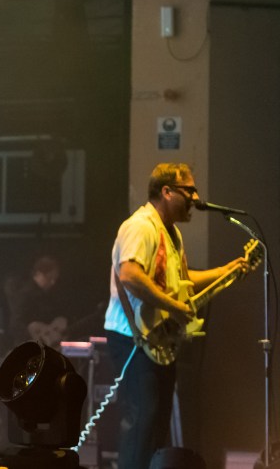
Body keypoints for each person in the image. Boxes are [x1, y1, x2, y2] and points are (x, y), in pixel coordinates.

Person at [103, 163, 248, 469]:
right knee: (142, 421)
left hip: (154, 338)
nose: (195, 198)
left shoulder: (172, 234)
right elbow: (129, 274)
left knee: (156, 422)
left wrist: (226, 271)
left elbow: (180, 280)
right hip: (133, 337)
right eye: (189, 190)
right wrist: (172, 306)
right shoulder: (141, 226)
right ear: (166, 192)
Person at [4, 254, 70, 348]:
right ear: (38, 274)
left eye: (55, 279)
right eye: (49, 278)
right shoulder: (26, 294)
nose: (52, 282)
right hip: (28, 348)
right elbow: (15, 324)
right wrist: (35, 335)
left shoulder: (48, 294)